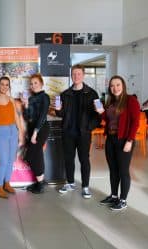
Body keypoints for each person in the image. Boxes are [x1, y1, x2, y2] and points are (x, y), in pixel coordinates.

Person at [55, 64, 100, 198]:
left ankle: (85, 186)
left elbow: (98, 116)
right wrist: (58, 109)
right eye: (74, 74)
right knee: (68, 159)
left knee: (84, 159)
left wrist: (89, 127)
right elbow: (61, 114)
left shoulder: (92, 93)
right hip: (68, 132)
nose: (76, 76)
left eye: (79, 74)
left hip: (83, 134)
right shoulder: (64, 94)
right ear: (71, 75)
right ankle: (70, 182)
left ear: (83, 75)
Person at [97, 75, 140, 210]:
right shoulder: (110, 102)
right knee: (113, 170)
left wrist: (130, 140)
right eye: (112, 86)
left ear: (123, 86)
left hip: (124, 140)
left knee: (123, 171)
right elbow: (107, 119)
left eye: (118, 85)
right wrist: (101, 112)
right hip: (111, 139)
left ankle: (123, 200)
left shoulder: (130, 100)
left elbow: (135, 122)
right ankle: (114, 196)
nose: (115, 88)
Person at [0, 76, 23, 198]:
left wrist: (21, 133)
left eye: (6, 84)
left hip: (13, 130)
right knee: (3, 161)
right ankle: (0, 187)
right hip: (0, 131)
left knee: (10, 160)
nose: (4, 86)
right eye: (2, 84)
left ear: (9, 86)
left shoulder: (11, 99)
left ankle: (7, 183)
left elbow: (16, 117)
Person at [22, 73, 50, 194]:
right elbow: (27, 117)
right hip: (32, 129)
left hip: (41, 129)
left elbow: (42, 116)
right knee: (36, 155)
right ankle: (40, 182)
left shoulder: (45, 97)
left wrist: (35, 133)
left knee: (30, 156)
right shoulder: (31, 98)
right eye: (31, 83)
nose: (33, 85)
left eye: (36, 83)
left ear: (41, 84)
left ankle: (40, 182)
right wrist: (26, 106)